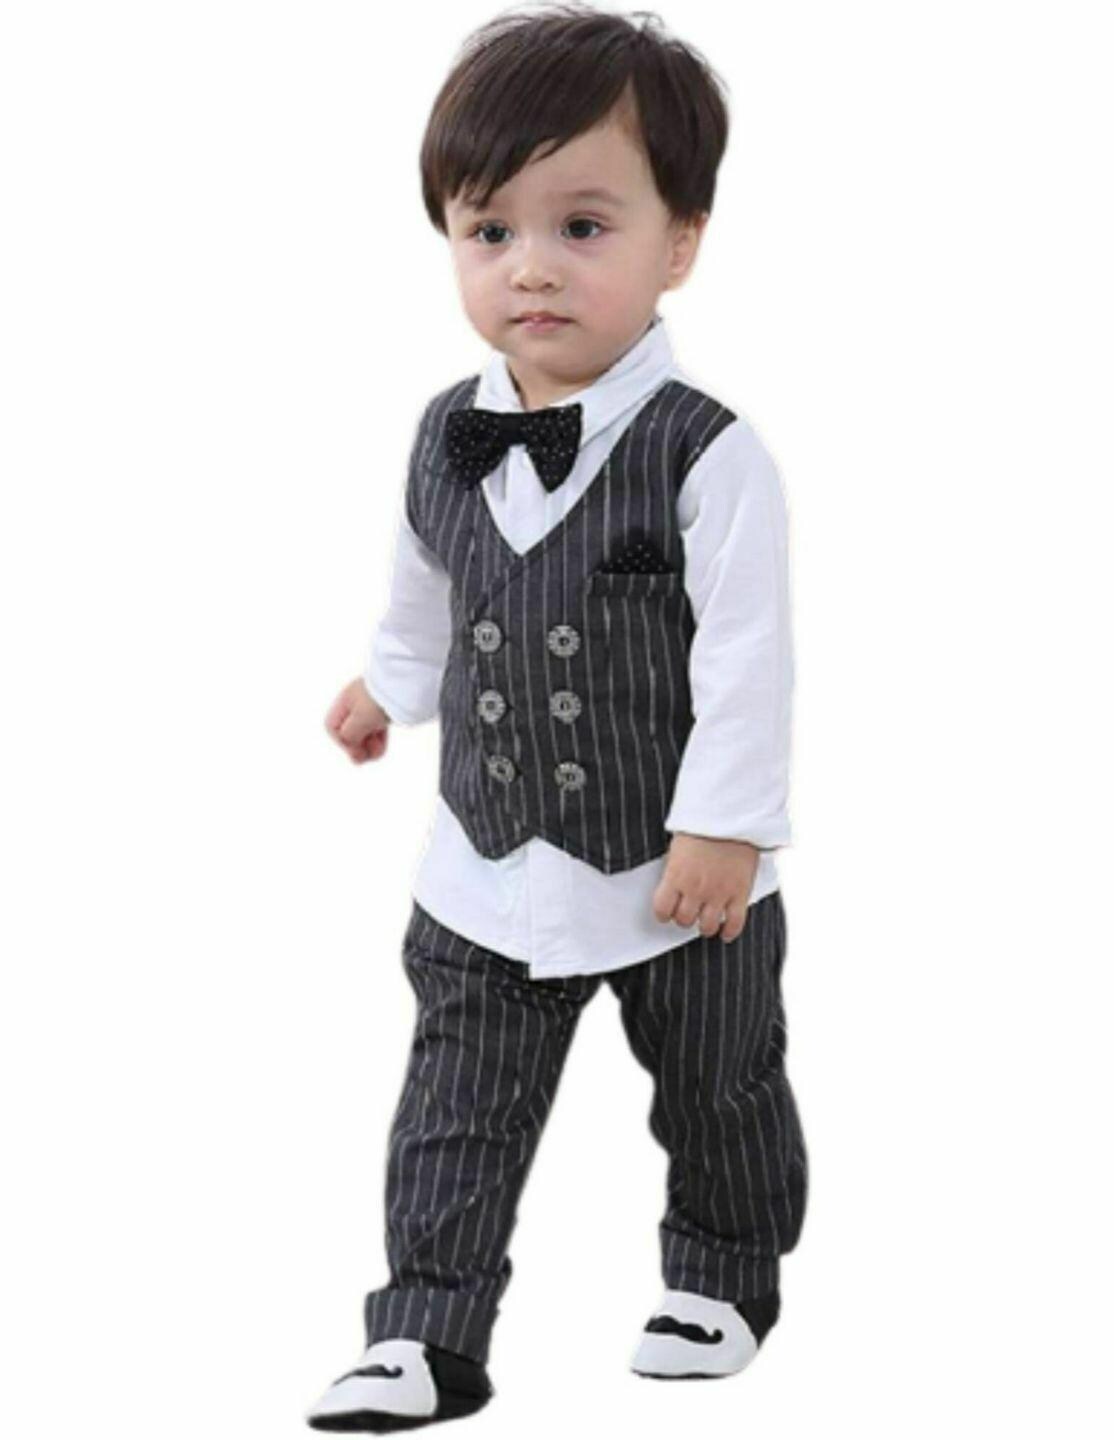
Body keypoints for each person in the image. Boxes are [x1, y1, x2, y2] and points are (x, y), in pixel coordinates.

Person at [308, 5, 807, 1430]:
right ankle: (425, 1328)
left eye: (582, 226)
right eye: (489, 230)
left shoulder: (710, 455)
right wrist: (388, 686)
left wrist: (724, 827)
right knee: (454, 1101)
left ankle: (722, 1273)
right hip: (483, 860)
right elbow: (424, 587)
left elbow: (749, 659)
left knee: (717, 1084)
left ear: (679, 242)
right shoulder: (443, 433)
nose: (530, 266)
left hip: (671, 872)